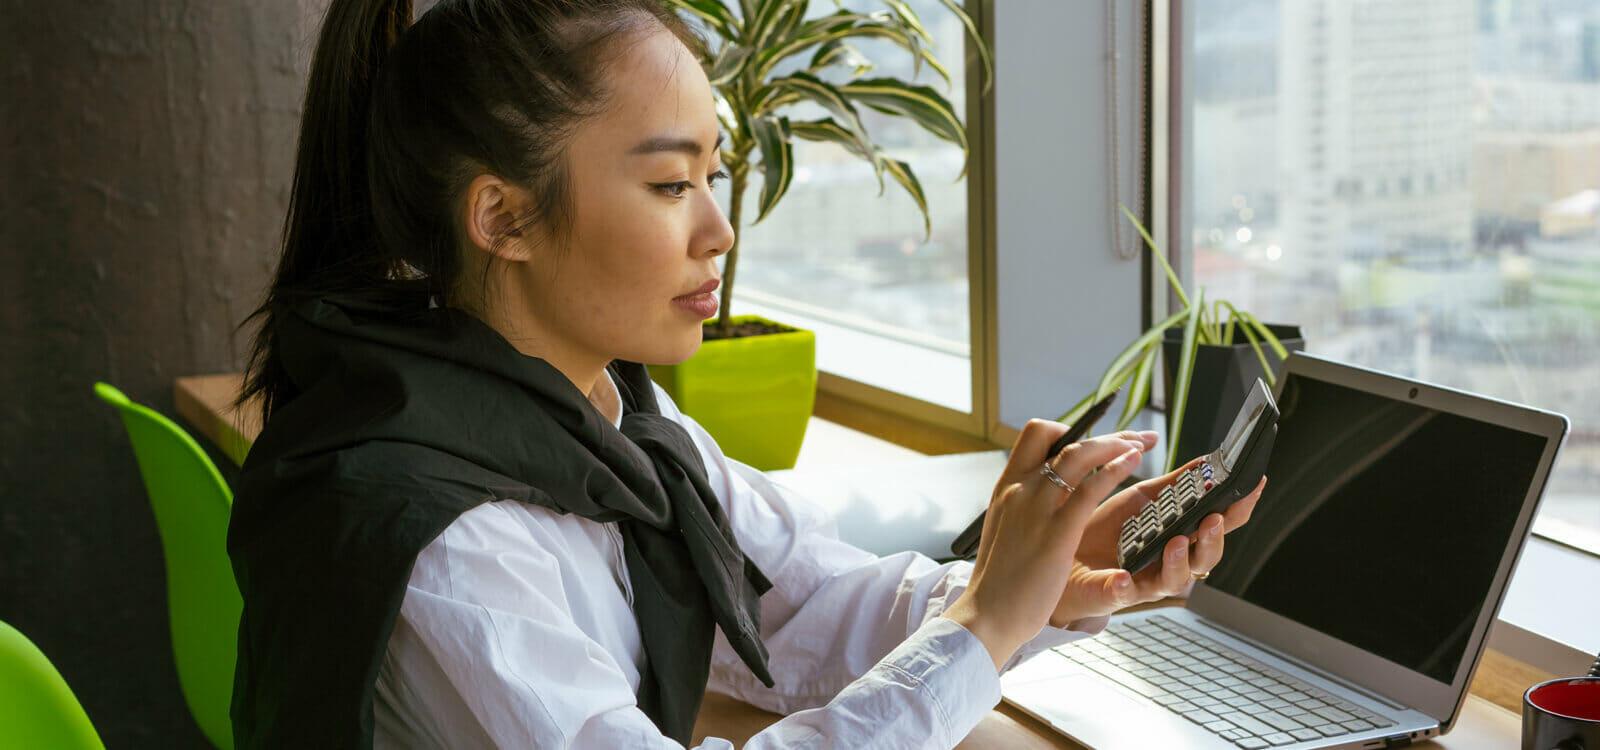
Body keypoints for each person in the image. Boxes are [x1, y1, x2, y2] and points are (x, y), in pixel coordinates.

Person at [228, 0, 1266, 747]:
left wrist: (1041, 586)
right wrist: (981, 624)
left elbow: (802, 603)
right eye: (671, 183)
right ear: (503, 216)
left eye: (714, 176)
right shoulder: (448, 539)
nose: (719, 230)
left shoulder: (603, 419)